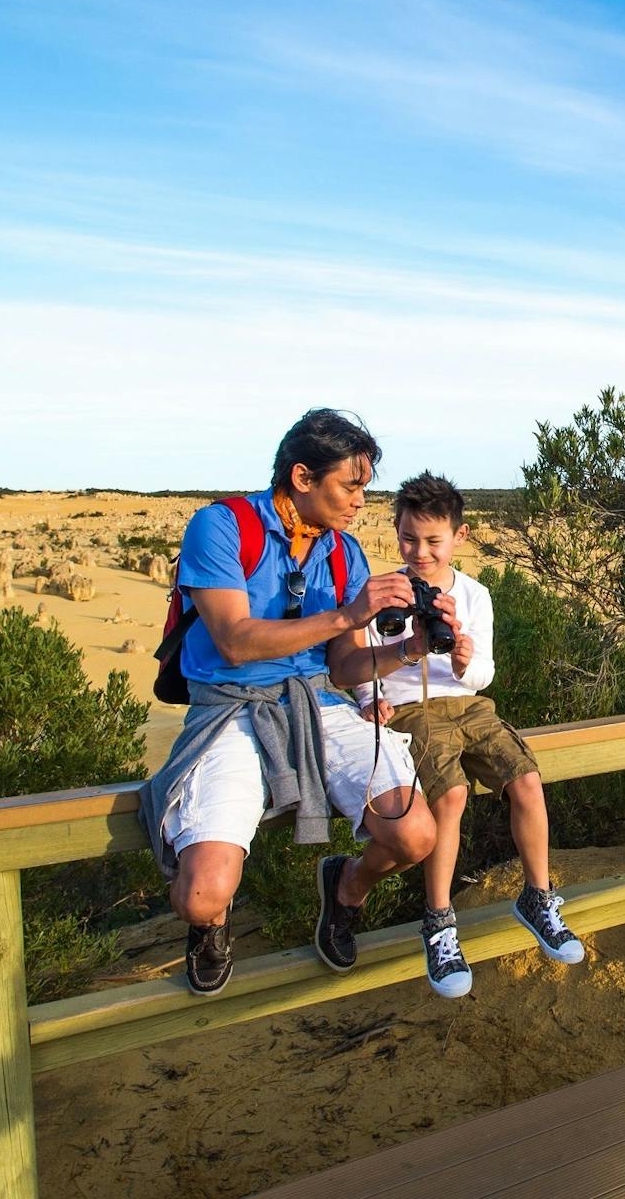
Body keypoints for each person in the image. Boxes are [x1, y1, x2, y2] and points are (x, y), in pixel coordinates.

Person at [139, 410, 444, 996]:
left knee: (413, 836)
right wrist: (346, 615)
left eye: (365, 488)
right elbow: (233, 641)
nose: (360, 501)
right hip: (231, 708)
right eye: (350, 486)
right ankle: (212, 924)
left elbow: (345, 665)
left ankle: (345, 888)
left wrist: (409, 650)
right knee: (202, 894)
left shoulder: (342, 552)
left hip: (317, 706)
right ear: (303, 477)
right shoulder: (222, 528)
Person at [355, 472, 584, 999]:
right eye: (409, 538)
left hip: (470, 703)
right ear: (396, 531)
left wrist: (462, 659)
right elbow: (360, 666)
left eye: (433, 540)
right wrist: (372, 700)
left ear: (459, 537)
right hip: (412, 709)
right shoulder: (382, 593)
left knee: (526, 779)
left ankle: (538, 897)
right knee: (451, 795)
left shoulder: (475, 595)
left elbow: (484, 674)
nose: (420, 551)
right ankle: (438, 923)